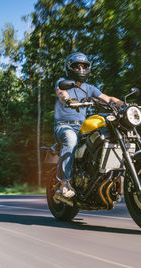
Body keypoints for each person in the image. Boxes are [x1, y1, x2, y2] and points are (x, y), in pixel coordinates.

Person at [54, 52, 123, 198]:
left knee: (107, 136)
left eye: (83, 66)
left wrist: (122, 104)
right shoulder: (63, 82)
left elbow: (107, 98)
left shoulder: (89, 88)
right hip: (65, 126)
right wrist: (68, 100)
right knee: (71, 140)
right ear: (69, 68)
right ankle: (64, 182)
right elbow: (61, 93)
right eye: (76, 66)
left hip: (82, 127)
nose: (80, 69)